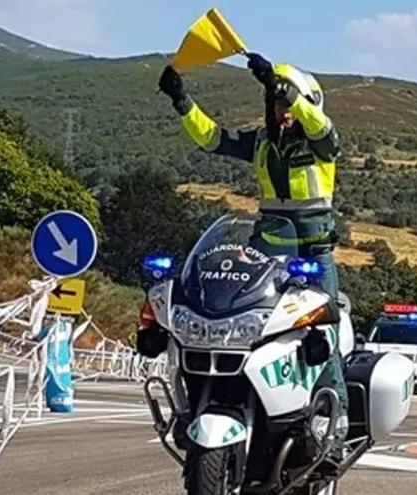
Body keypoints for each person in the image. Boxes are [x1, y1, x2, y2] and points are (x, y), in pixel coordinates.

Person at [157, 55, 348, 456]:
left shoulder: (321, 142)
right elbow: (213, 138)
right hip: (267, 252)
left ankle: (333, 427)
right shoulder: (263, 142)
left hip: (314, 253)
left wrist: (285, 91)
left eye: (287, 103)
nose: (282, 112)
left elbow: (318, 124)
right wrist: (182, 101)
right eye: (276, 104)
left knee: (324, 333)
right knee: (236, 323)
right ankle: (210, 404)